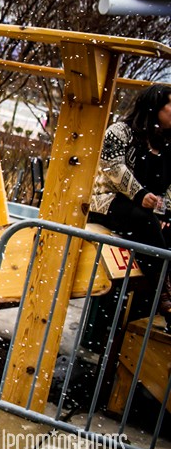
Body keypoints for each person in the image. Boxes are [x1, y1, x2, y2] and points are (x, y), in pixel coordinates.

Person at [89, 83, 171, 330]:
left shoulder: (168, 143)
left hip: (146, 212)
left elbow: (169, 186)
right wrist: (140, 194)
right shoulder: (120, 131)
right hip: (109, 202)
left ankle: (155, 301)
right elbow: (112, 167)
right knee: (143, 221)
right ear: (155, 107)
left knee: (162, 229)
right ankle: (165, 298)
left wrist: (166, 212)